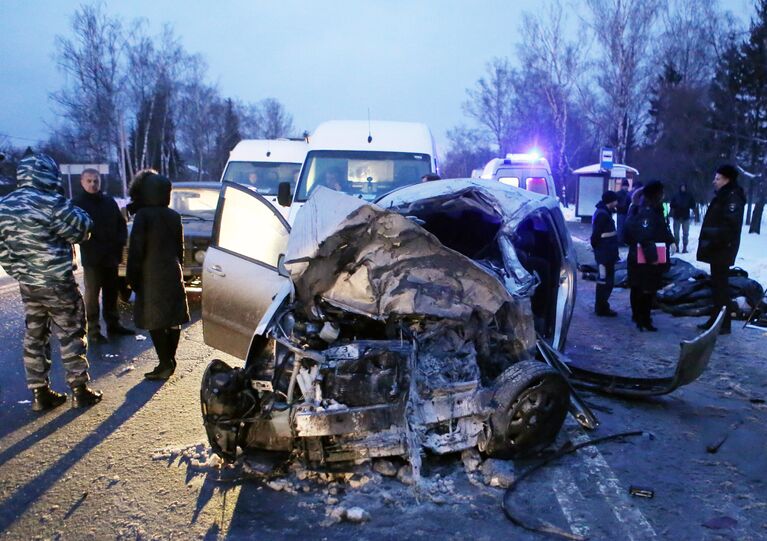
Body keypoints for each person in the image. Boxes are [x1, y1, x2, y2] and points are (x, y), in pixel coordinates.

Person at [0, 153, 102, 411]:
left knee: (35, 335)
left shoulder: (5, 205)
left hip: (28, 284)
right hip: (57, 282)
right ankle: (79, 390)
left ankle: (39, 393)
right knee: (70, 332)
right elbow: (82, 229)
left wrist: (21, 271)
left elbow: (2, 249)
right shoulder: (51, 203)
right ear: (48, 174)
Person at [126, 170, 190, 379]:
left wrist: (132, 278)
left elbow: (136, 250)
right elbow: (180, 248)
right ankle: (169, 361)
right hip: (172, 271)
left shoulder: (143, 216)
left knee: (154, 321)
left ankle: (165, 362)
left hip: (150, 275)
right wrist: (177, 266)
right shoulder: (173, 215)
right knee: (172, 318)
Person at [73, 168, 134, 343]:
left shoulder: (109, 202)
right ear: (82, 182)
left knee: (111, 293)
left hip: (111, 256)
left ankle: (114, 325)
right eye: (89, 181)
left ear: (100, 182)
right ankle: (92, 331)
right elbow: (72, 230)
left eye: (96, 181)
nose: (93, 184)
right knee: (92, 296)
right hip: (92, 258)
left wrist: (120, 245)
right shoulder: (77, 204)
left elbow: (121, 225)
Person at [696, 164, 746, 335]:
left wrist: (711, 238)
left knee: (721, 286)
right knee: (716, 285)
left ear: (727, 179)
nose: (714, 181)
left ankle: (724, 323)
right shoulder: (724, 195)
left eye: (717, 178)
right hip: (717, 247)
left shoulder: (732, 197)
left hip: (722, 248)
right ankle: (715, 318)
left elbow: (729, 226)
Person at [624, 180, 675, 332]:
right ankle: (643, 319)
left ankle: (641, 317)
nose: (664, 196)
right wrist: (653, 259)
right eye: (661, 192)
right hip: (644, 258)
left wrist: (671, 240)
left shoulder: (652, 208)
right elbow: (645, 237)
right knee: (644, 289)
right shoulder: (645, 211)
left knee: (641, 288)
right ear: (656, 194)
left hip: (643, 256)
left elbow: (662, 228)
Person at [591, 190, 620, 316]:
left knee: (605, 280)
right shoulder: (603, 215)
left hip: (606, 252)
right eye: (615, 200)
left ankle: (602, 306)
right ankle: (601, 307)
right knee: (605, 281)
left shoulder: (604, 212)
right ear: (611, 201)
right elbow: (596, 236)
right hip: (605, 253)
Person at [669, 183, 695, 253]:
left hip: (686, 217)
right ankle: (677, 247)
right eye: (682, 187)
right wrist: (676, 205)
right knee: (676, 233)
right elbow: (671, 204)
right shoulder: (676, 195)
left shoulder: (689, 196)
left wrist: (688, 205)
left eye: (684, 187)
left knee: (685, 233)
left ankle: (685, 247)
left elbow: (693, 204)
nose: (683, 188)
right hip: (677, 216)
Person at [615, 179, 631, 245]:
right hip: (623, 212)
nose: (626, 187)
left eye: (626, 186)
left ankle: (620, 241)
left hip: (621, 212)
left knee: (621, 228)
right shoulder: (628, 194)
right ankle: (621, 241)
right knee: (622, 228)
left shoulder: (618, 193)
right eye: (625, 186)